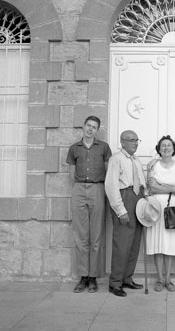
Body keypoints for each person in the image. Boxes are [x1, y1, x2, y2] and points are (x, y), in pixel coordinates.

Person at [67, 116, 112, 293]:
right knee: (81, 236)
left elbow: (109, 171)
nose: (90, 129)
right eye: (88, 125)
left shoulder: (103, 148)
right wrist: (80, 185)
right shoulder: (74, 148)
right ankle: (83, 276)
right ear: (83, 126)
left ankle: (93, 277)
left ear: (97, 130)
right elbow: (71, 173)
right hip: (79, 189)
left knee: (96, 235)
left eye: (94, 127)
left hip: (97, 189)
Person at [105, 130, 146, 297]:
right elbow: (111, 186)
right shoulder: (116, 159)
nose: (135, 143)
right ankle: (115, 282)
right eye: (131, 140)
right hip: (125, 198)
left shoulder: (136, 160)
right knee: (122, 243)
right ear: (122, 142)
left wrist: (146, 199)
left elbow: (141, 181)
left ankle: (127, 278)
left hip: (138, 199)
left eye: (137, 140)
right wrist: (120, 210)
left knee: (135, 242)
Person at [146, 135, 175, 292]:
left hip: (172, 207)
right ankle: (160, 279)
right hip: (155, 206)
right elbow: (151, 187)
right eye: (163, 145)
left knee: (169, 243)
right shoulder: (153, 166)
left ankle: (169, 279)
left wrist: (162, 185)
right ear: (159, 149)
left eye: (169, 145)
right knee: (157, 243)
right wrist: (171, 187)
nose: (166, 147)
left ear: (173, 148)